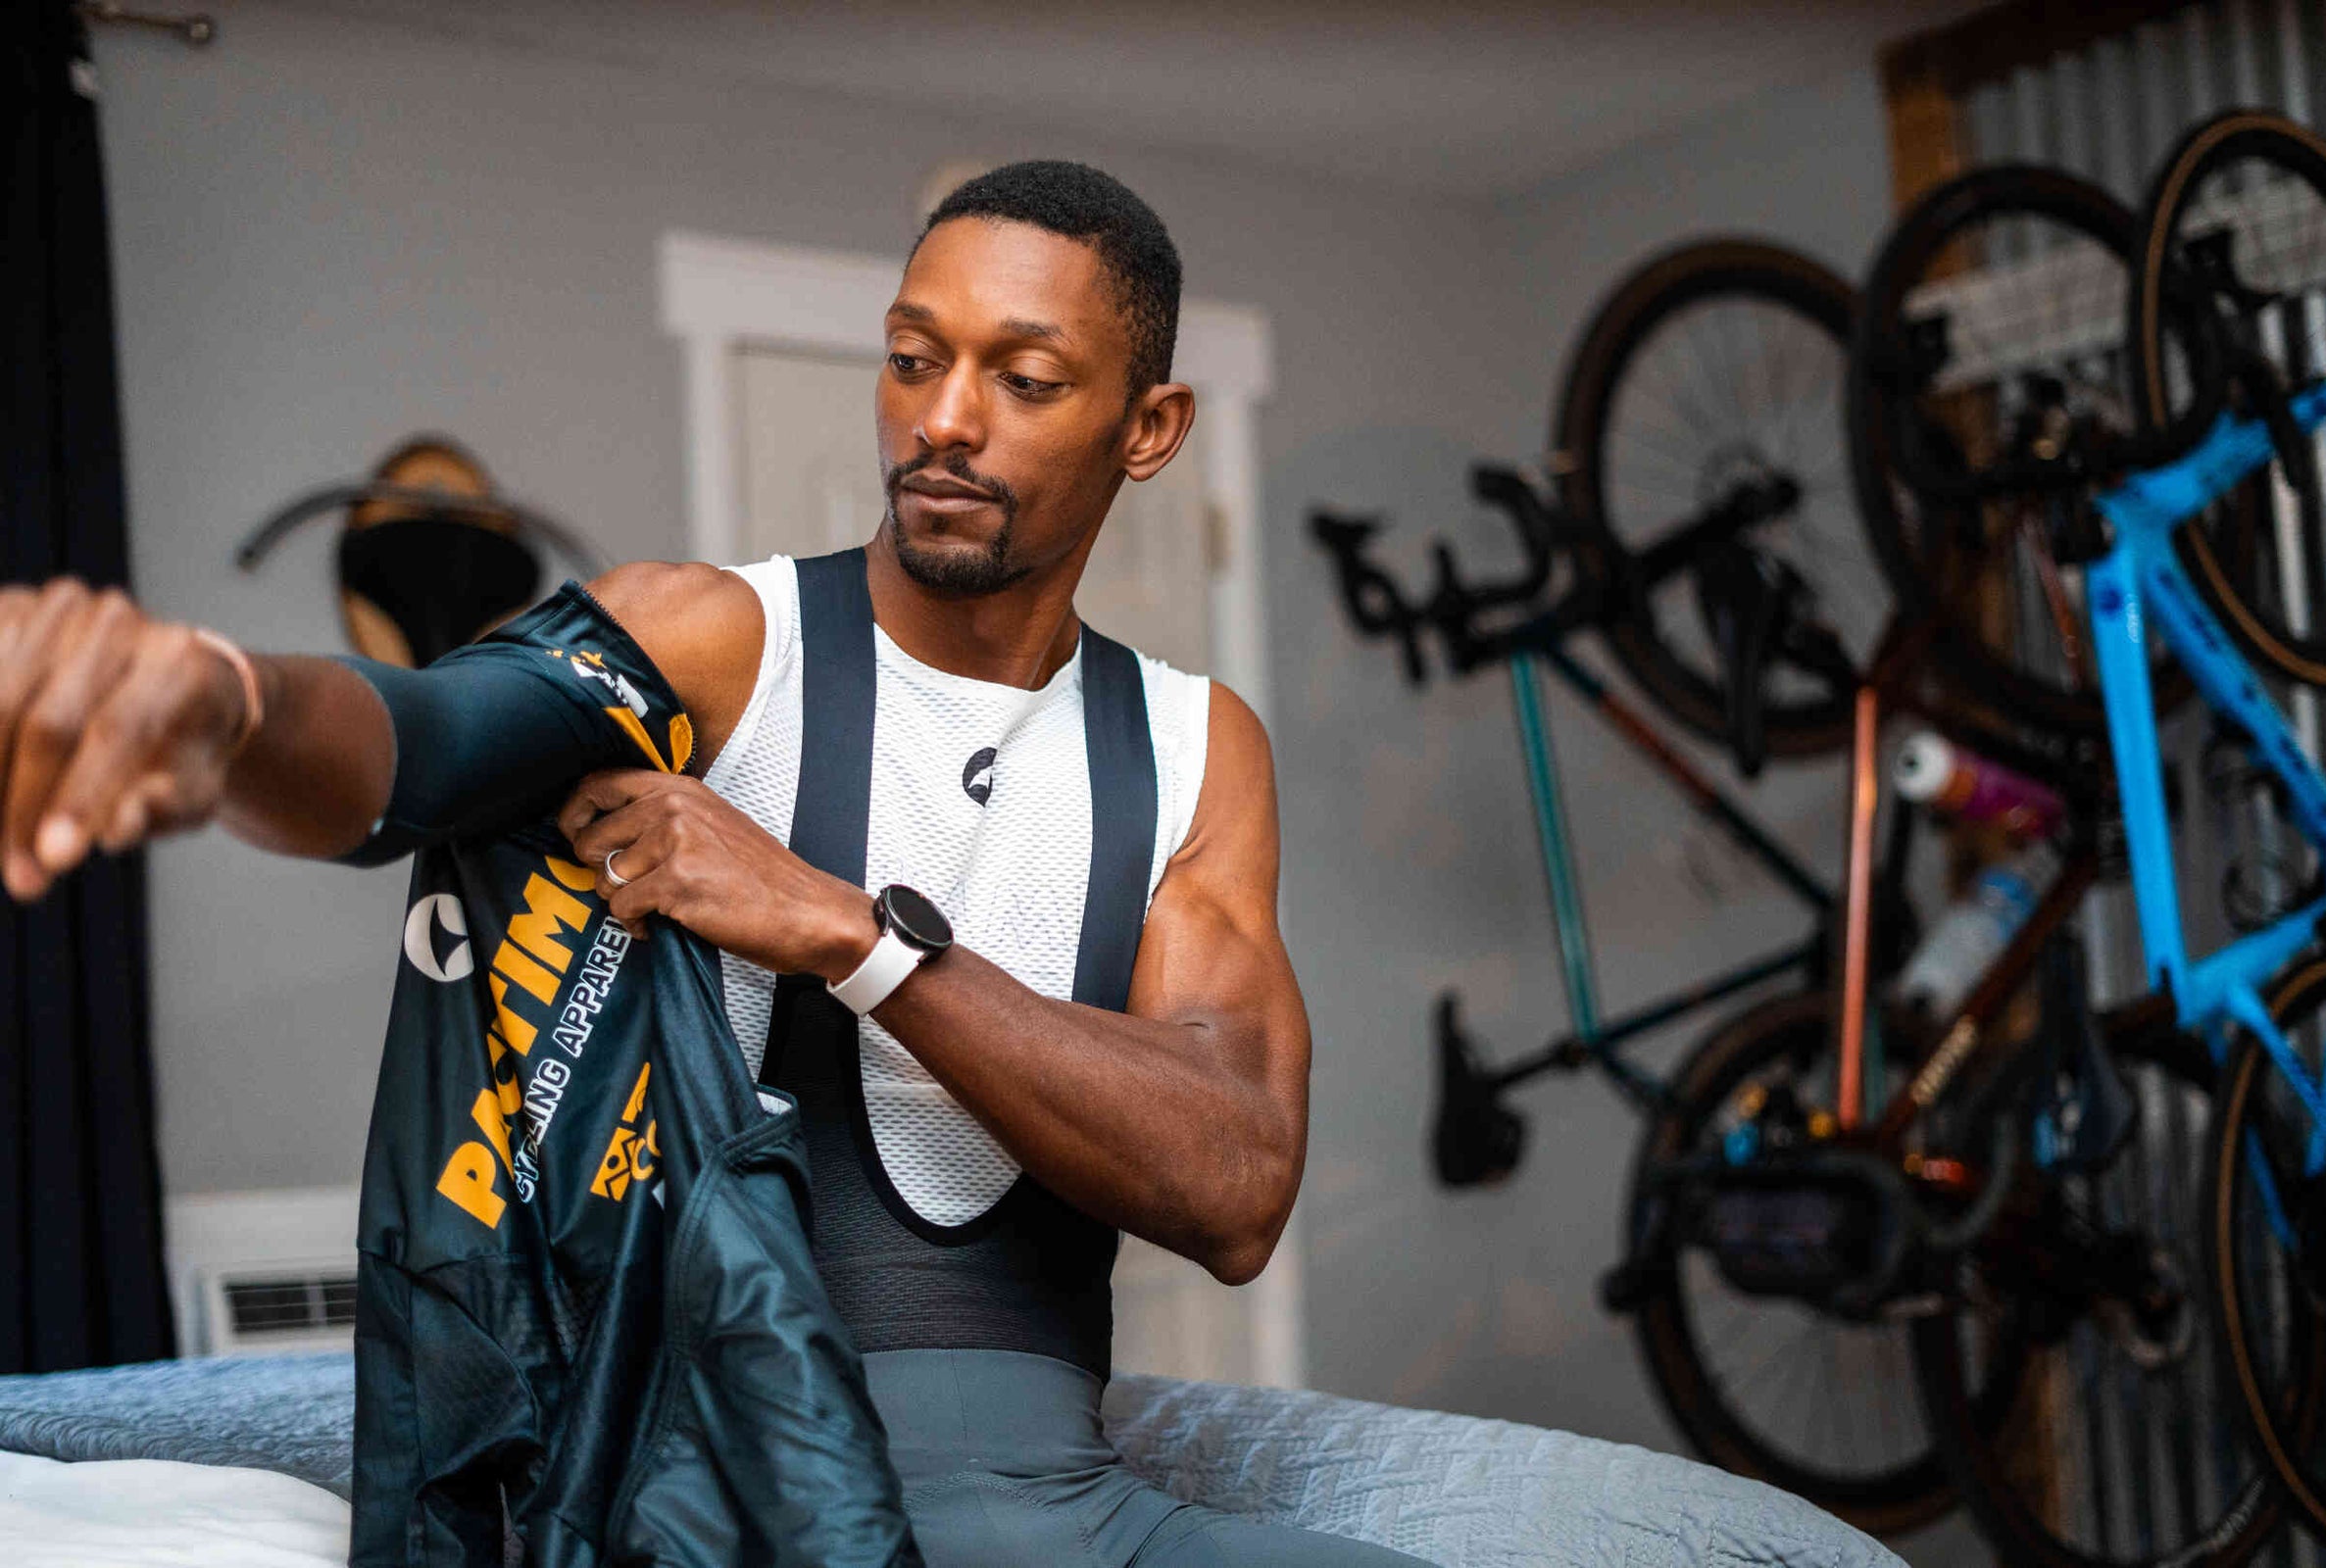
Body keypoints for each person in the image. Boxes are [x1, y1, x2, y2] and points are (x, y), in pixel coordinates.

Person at [0, 160, 1430, 1568]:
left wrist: (849, 936)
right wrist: (220, 704)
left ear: (1151, 426)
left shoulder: (1192, 742)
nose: (941, 420)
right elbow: (416, 744)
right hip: (725, 1512)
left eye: (1026, 380)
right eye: (912, 359)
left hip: (1067, 1510)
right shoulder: (724, 645)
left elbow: (1237, 1185)